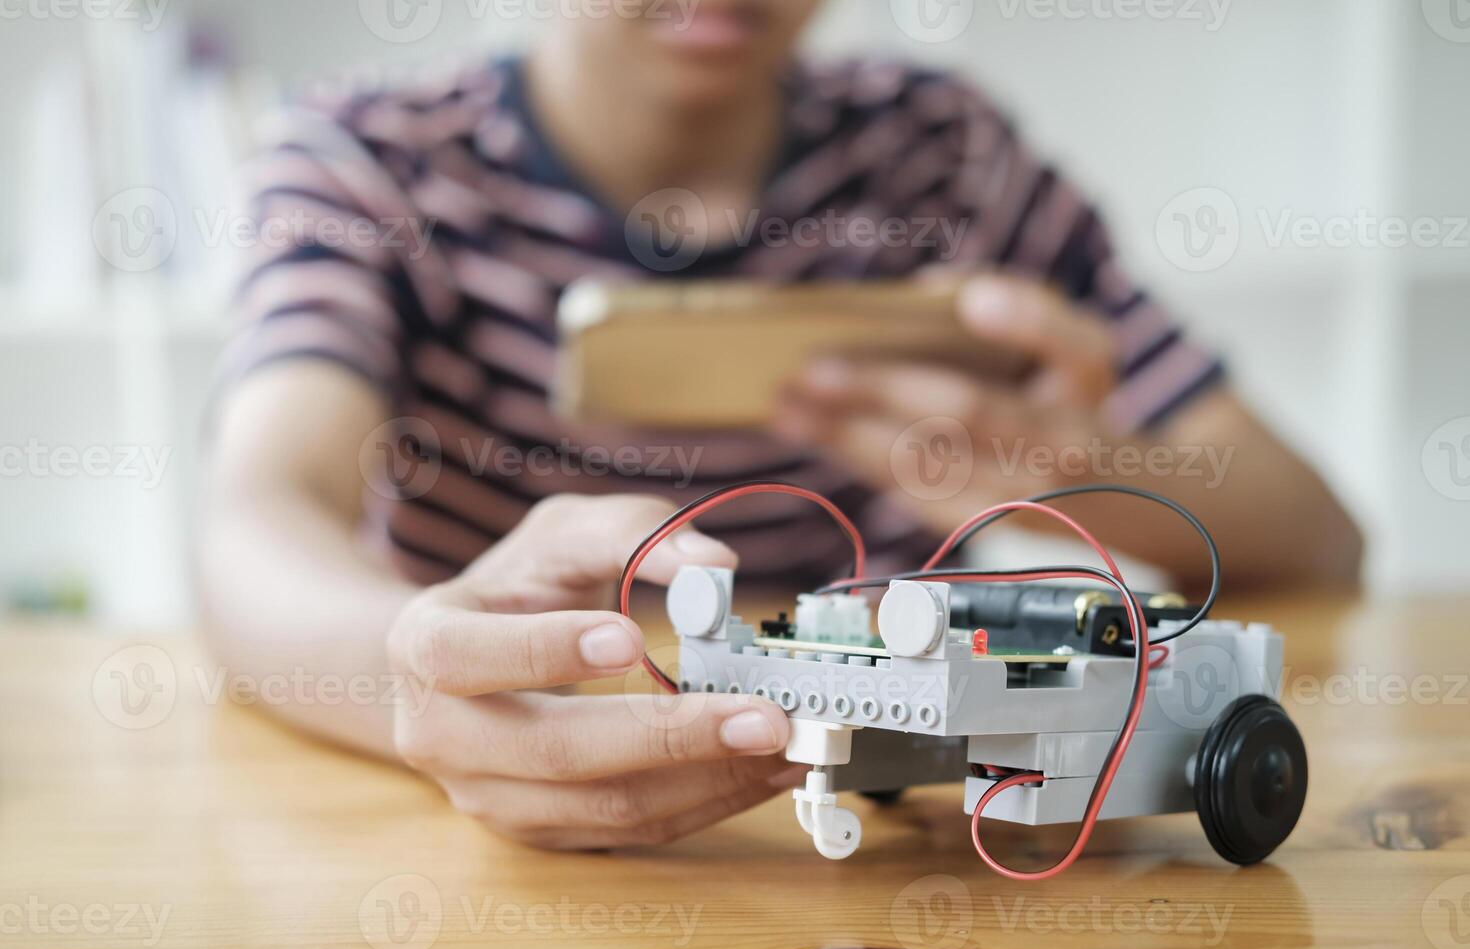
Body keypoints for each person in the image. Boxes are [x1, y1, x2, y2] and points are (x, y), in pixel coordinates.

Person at [200, 0, 1361, 850]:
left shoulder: (946, 161)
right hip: (474, 845)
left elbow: (1317, 535)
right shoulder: (367, 164)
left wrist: (1077, 468)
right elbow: (253, 515)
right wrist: (411, 679)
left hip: (906, 859)